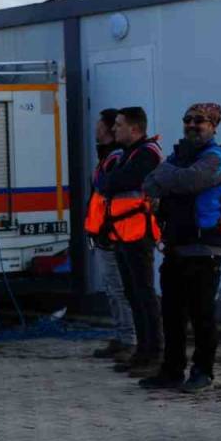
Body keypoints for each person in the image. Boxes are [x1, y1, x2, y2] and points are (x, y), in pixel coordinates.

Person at [139, 103, 221, 393]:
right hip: (175, 247)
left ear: (213, 126)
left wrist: (167, 176)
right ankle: (171, 371)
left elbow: (190, 182)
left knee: (202, 315)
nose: (192, 125)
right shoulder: (178, 156)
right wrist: (168, 177)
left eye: (200, 121)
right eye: (188, 120)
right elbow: (149, 184)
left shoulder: (216, 159)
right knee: (172, 315)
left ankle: (203, 372)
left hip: (205, 249)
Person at [90, 107, 163, 377]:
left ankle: (154, 353)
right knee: (132, 294)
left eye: (119, 125)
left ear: (134, 128)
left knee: (143, 294)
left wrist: (110, 182)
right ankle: (142, 352)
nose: (114, 129)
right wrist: (110, 182)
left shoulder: (147, 154)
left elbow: (117, 181)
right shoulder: (128, 154)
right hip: (121, 233)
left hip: (138, 233)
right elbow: (105, 182)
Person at [86, 109, 136, 360]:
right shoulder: (106, 156)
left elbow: (108, 190)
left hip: (114, 232)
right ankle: (121, 336)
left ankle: (129, 339)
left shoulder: (116, 157)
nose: (95, 128)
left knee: (119, 289)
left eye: (99, 124)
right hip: (103, 232)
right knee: (112, 288)